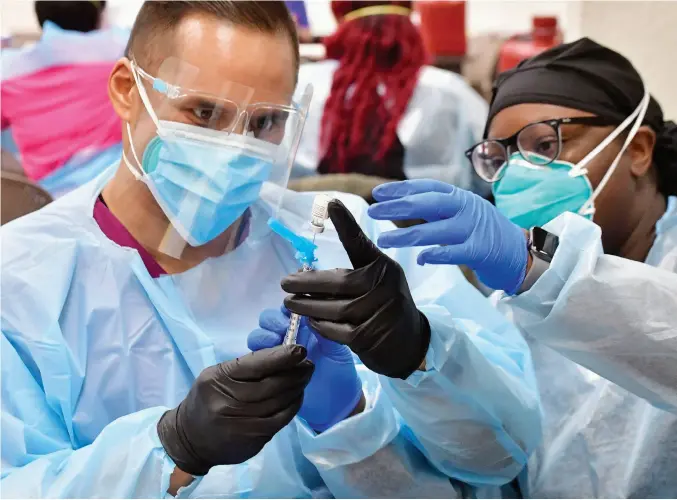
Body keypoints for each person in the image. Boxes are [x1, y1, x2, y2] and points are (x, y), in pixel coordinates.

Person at [0, 2, 542, 497]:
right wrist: (172, 450)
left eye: (265, 122)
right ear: (125, 89)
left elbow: (500, 456)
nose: (235, 147)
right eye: (204, 113)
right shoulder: (23, 281)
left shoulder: (347, 242)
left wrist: (409, 361)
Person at [367, 37, 677, 497]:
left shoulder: (535, 278)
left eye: (547, 144)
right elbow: (488, 466)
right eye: (500, 157)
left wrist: (540, 271)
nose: (515, 175)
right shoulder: (508, 305)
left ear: (638, 150)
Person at [293, 1, 489, 195]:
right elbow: (489, 175)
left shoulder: (301, 86)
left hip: (310, 221)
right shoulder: (449, 90)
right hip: (425, 222)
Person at [0, 1, 127, 197]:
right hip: (121, 196)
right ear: (100, 13)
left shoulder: (8, 72)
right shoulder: (126, 53)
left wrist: (17, 177)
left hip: (49, 204)